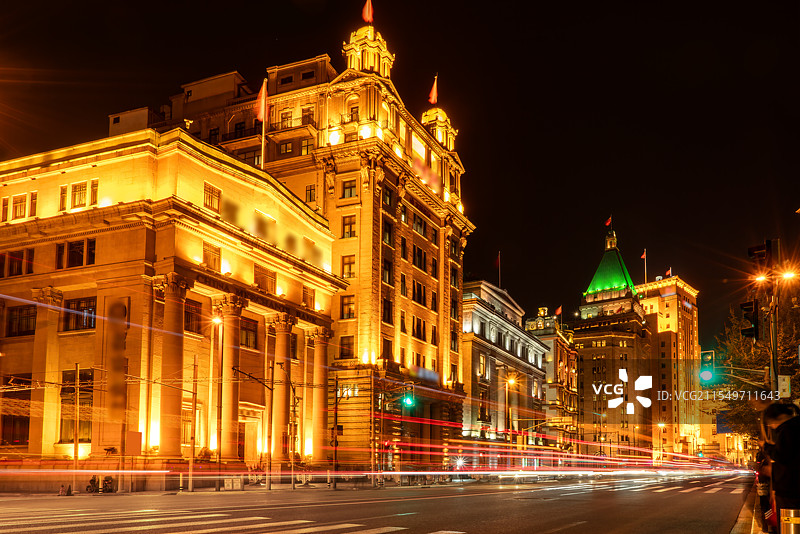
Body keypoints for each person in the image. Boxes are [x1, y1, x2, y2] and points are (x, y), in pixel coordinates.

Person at [761, 403, 800, 527]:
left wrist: (766, 447)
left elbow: (782, 456)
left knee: (790, 525)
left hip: (789, 489)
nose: (772, 426)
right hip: (793, 487)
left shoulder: (788, 429)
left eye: (771, 423)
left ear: (780, 417)